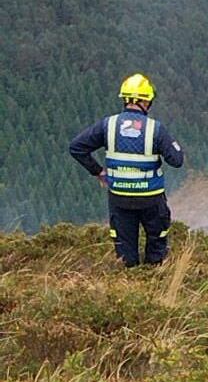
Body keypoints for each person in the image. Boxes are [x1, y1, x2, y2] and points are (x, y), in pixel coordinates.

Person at [69, 74, 185, 267]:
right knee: (156, 250)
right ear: (145, 101)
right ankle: (156, 288)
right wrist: (175, 146)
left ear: (125, 99)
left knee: (125, 256)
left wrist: (98, 171)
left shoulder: (108, 125)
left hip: (119, 198)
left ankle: (129, 287)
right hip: (151, 198)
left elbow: (76, 147)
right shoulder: (155, 129)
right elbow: (177, 160)